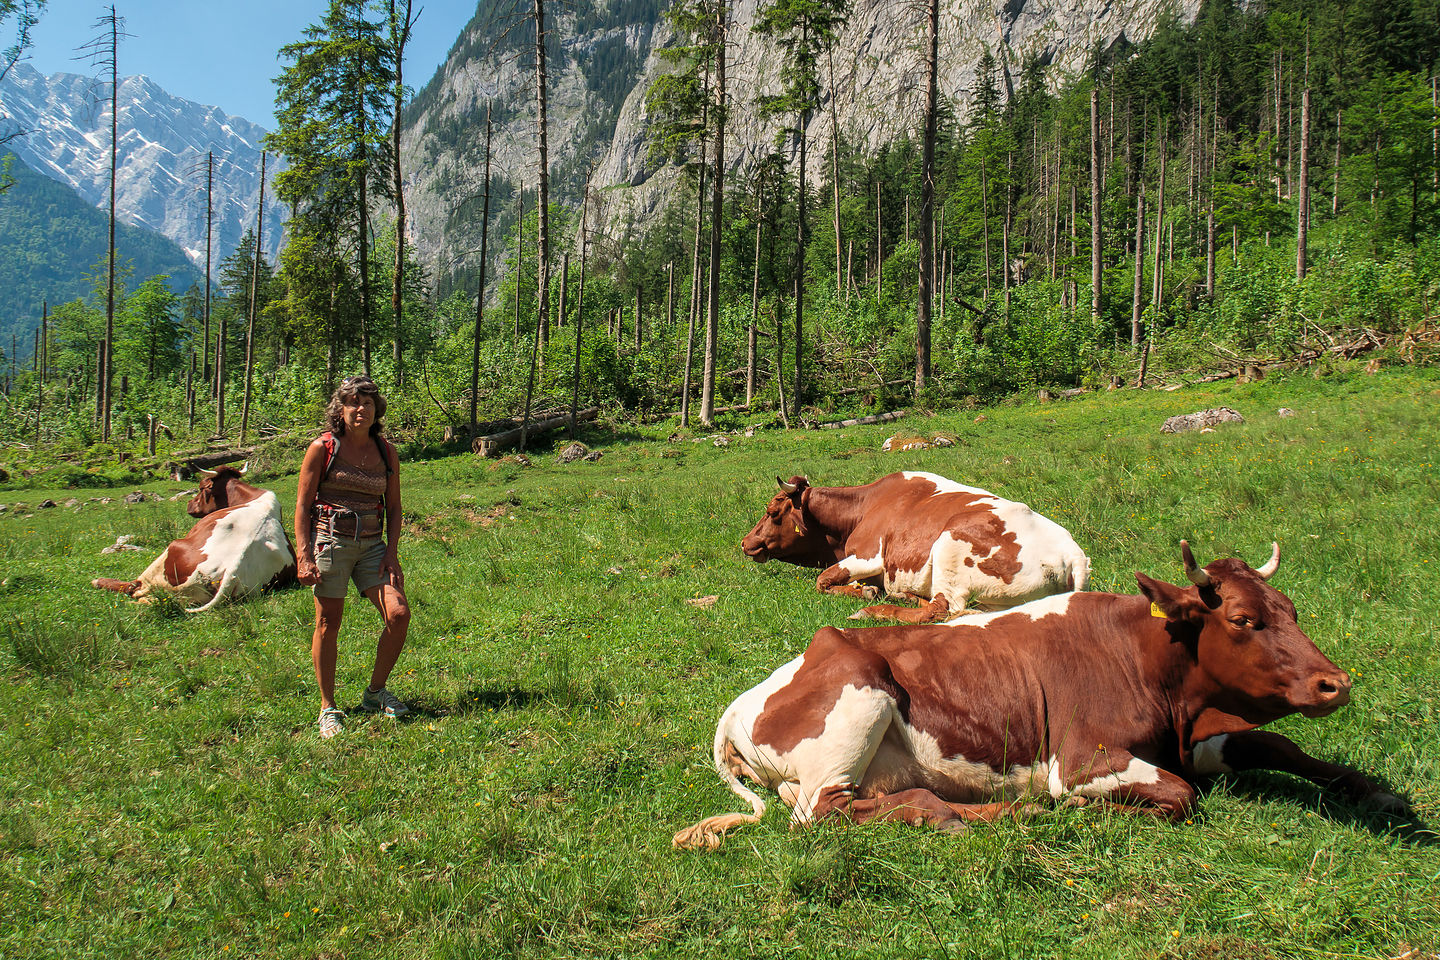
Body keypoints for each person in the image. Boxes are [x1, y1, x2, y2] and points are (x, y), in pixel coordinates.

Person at [294, 375, 412, 738]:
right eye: (354, 403)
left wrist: (392, 553)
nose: (361, 410)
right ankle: (328, 707)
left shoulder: (386, 451)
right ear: (340, 409)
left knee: (399, 613)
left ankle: (375, 693)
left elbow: (393, 506)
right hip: (331, 541)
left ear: (377, 411)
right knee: (329, 623)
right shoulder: (322, 448)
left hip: (373, 546)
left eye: (368, 404)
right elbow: (302, 503)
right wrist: (304, 555)